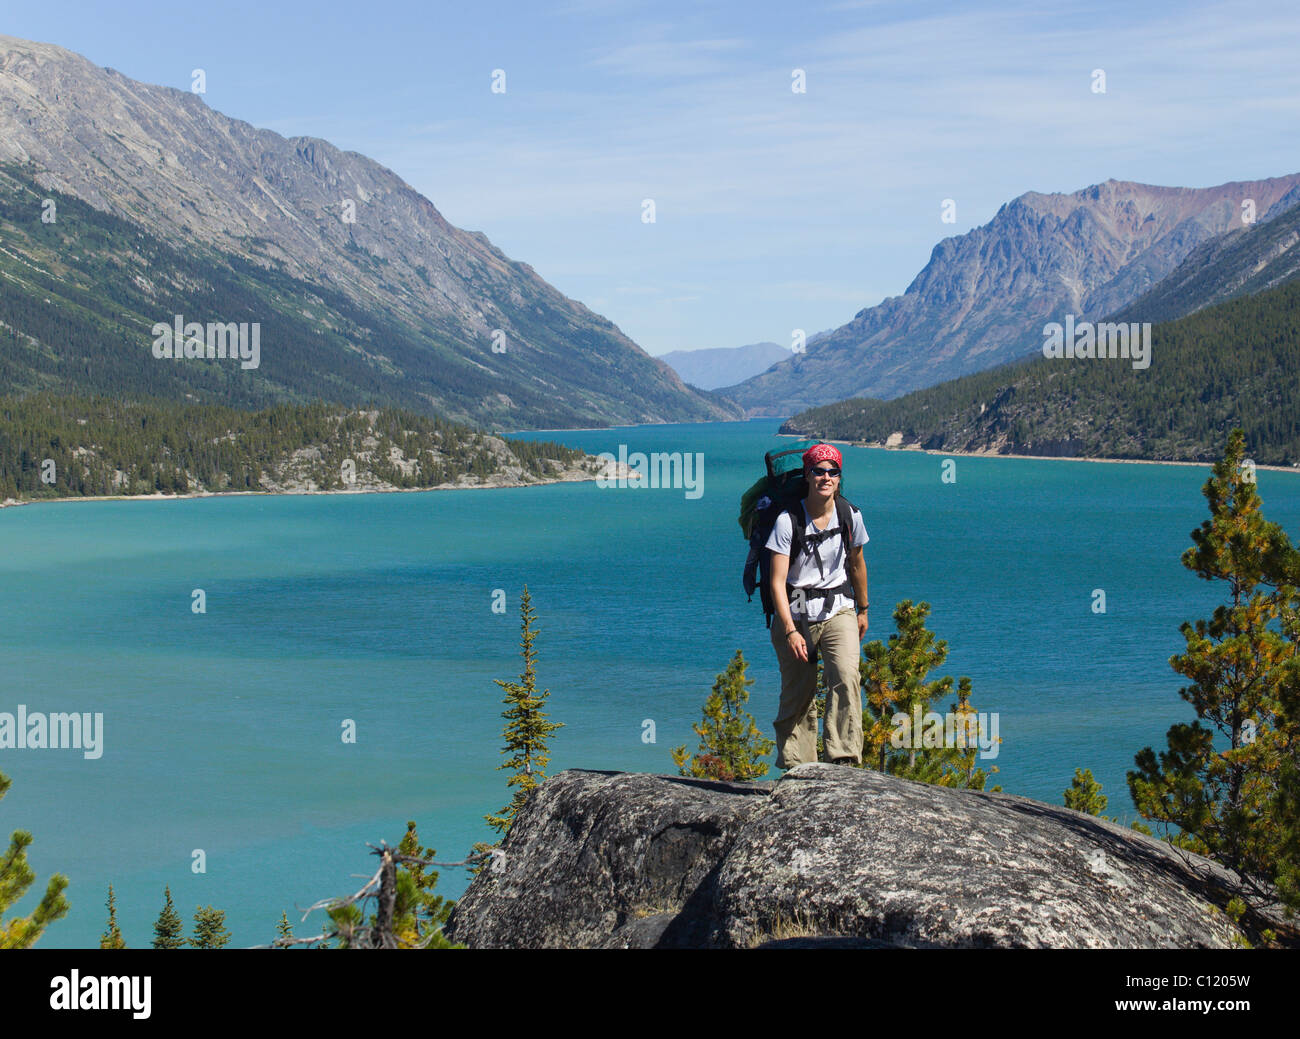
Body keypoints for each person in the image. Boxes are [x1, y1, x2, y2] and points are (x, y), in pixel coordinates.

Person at [766, 443, 869, 768]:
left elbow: (857, 565)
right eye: (819, 471)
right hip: (795, 614)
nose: (826, 477)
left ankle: (844, 759)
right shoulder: (788, 520)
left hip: (839, 609)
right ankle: (800, 766)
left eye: (832, 472)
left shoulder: (850, 515)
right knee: (799, 692)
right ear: (807, 476)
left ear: (839, 478)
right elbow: (776, 582)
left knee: (846, 676)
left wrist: (863, 608)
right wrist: (790, 630)